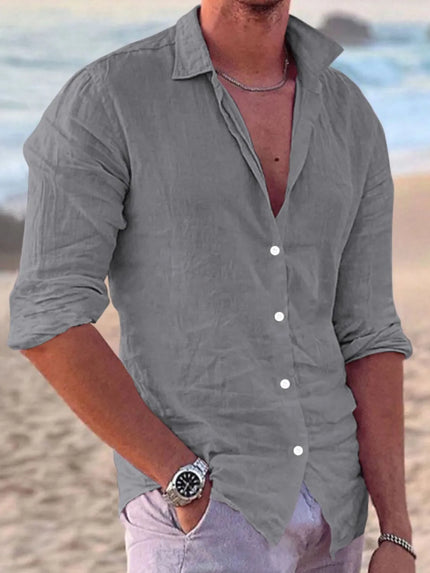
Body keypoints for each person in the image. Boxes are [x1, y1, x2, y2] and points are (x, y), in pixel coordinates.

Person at [7, 1, 417, 572]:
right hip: (208, 516)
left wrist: (396, 531)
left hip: (335, 512)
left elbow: (369, 331)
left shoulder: (349, 114)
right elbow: (48, 314)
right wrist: (180, 478)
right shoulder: (110, 98)